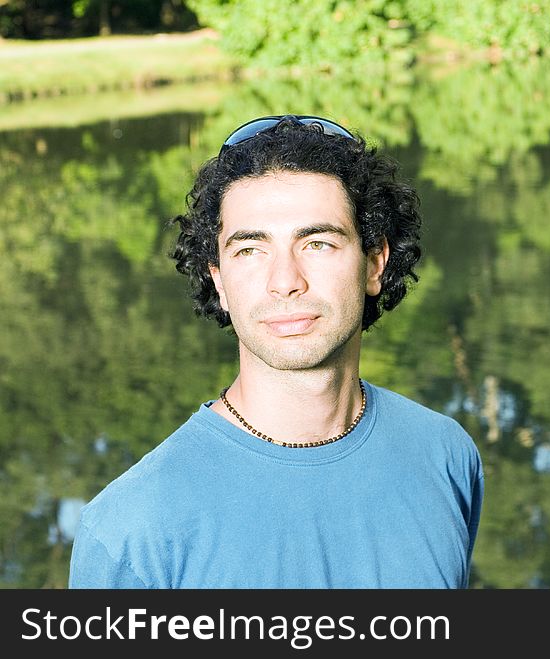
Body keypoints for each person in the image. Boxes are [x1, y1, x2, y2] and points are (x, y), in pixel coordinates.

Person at [68, 114, 484, 588]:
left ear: (374, 263)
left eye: (318, 243)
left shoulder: (445, 455)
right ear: (219, 281)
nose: (286, 281)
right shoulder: (129, 532)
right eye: (250, 250)